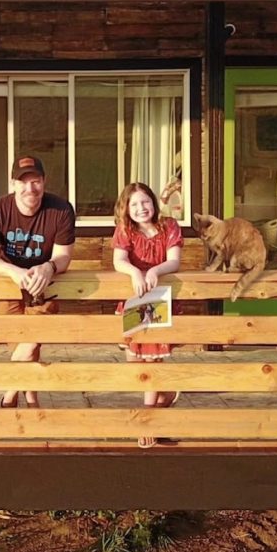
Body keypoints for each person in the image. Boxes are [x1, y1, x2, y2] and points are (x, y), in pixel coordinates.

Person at [0, 155, 75, 408]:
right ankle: (31, 395)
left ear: (44, 182)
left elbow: (63, 256)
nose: (30, 188)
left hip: (46, 283)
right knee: (19, 340)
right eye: (23, 182)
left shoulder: (61, 209)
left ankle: (8, 395)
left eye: (36, 181)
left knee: (33, 336)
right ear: (12, 184)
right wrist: (13, 272)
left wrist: (49, 267)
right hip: (8, 281)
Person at [112, 182, 183, 448]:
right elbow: (119, 260)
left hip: (159, 299)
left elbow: (174, 259)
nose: (141, 209)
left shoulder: (169, 226)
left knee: (151, 362)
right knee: (135, 360)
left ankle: (149, 423)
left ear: (153, 203)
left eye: (145, 202)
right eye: (134, 204)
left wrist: (155, 271)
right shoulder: (126, 230)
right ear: (126, 209)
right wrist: (135, 273)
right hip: (134, 299)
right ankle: (165, 394)